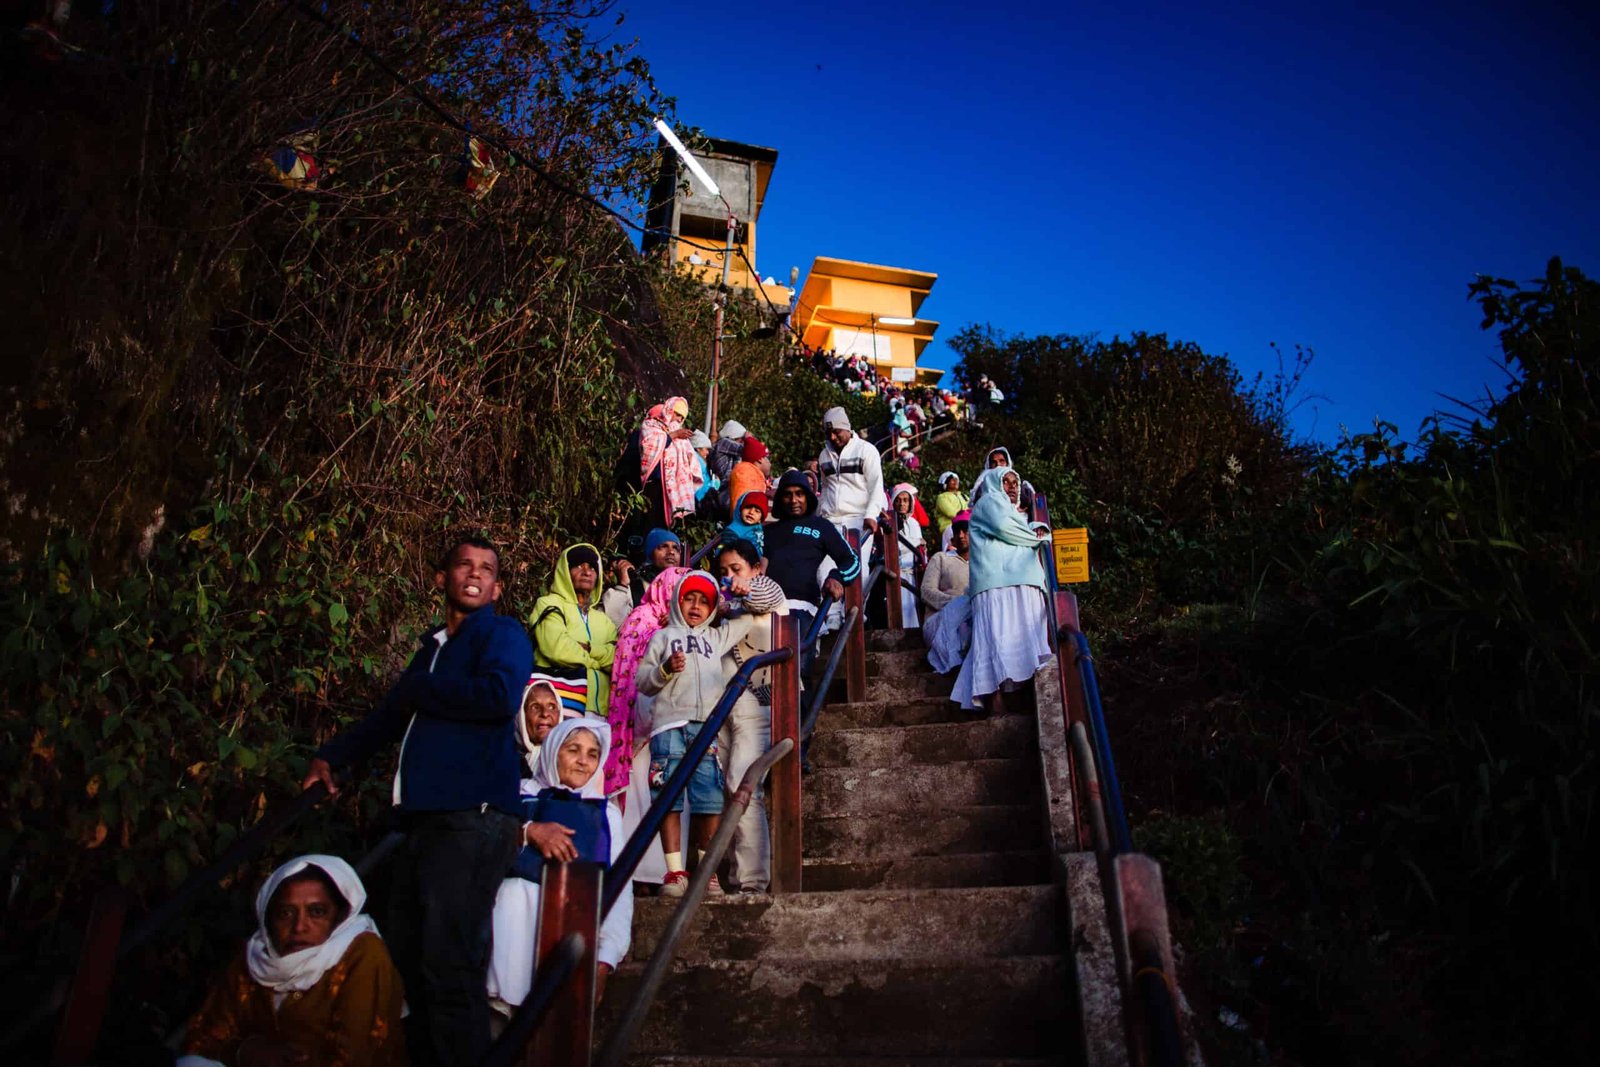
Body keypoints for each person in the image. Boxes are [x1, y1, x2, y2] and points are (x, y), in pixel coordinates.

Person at [302, 536, 529, 1067]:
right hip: (425, 820)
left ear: (496, 587)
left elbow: (498, 696)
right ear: (441, 578)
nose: (474, 574)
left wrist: (418, 691)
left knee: (449, 965)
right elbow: (389, 717)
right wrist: (331, 756)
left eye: (486, 569)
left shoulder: (502, 633)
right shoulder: (431, 649)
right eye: (463, 565)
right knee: (407, 958)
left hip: (473, 816)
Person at [179, 855, 406, 1067]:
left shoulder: (363, 953)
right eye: (285, 913)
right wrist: (244, 1050)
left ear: (339, 916)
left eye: (316, 912)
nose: (299, 927)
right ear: (268, 919)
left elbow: (356, 1056)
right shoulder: (254, 958)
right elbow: (201, 1038)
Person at [634, 570, 778, 896]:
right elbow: (643, 681)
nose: (696, 606)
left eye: (704, 601)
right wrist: (665, 670)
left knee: (708, 800)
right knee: (668, 798)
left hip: (707, 730)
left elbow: (752, 616)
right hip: (668, 728)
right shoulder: (661, 637)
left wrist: (735, 599)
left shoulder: (716, 637)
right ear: (677, 600)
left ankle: (706, 874)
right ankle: (674, 873)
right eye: (690, 598)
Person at [487, 719, 632, 1023]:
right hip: (502, 939)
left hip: (564, 932)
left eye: (593, 754)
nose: (583, 761)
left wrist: (605, 959)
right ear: (553, 752)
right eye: (573, 750)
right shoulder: (517, 794)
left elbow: (618, 889)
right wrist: (529, 831)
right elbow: (477, 841)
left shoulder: (606, 814)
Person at [713, 539, 788, 892]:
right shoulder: (723, 604)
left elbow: (761, 596)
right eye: (723, 571)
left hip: (760, 701)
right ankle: (733, 875)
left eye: (736, 569)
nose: (729, 577)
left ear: (756, 567)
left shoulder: (767, 590)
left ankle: (753, 881)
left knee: (742, 782)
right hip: (723, 705)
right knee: (722, 788)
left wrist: (742, 587)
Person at [951, 468, 1052, 715]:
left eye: (1015, 482)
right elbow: (1004, 528)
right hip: (994, 586)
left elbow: (1016, 528)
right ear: (994, 484)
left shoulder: (1011, 511)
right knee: (994, 641)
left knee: (1017, 641)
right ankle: (996, 707)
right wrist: (1037, 537)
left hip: (1014, 582)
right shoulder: (989, 502)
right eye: (1005, 481)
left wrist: (1034, 530)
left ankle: (1016, 704)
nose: (1011, 486)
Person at [763, 469, 859, 675]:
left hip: (802, 609)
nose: (794, 500)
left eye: (799, 493)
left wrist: (836, 577)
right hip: (765, 610)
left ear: (808, 496)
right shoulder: (768, 531)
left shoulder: (821, 526)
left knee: (798, 674)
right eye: (788, 494)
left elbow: (851, 560)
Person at [531, 543, 619, 718]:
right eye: (578, 566)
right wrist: (597, 664)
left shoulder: (604, 620)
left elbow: (618, 658)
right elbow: (558, 649)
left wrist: (590, 648)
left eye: (592, 568)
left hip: (601, 710)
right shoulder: (549, 604)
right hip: (559, 704)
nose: (586, 572)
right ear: (565, 572)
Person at [817, 406, 886, 618]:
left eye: (837, 431)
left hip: (858, 519)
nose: (832, 436)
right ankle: (833, 616)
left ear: (847, 428)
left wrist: (871, 515)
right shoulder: (824, 455)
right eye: (828, 432)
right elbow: (825, 488)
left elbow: (876, 486)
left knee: (859, 571)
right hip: (830, 520)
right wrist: (818, 518)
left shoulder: (866, 450)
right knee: (824, 570)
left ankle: (855, 616)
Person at [600, 528, 682, 631]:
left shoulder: (687, 587)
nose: (671, 552)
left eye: (676, 548)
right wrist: (623, 585)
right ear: (650, 554)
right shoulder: (636, 586)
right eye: (663, 546)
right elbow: (611, 623)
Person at [638, 396, 703, 527]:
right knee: (650, 522)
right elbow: (649, 446)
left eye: (682, 417)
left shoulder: (678, 432)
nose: (678, 419)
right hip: (654, 485)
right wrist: (674, 435)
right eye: (677, 414)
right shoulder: (651, 425)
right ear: (669, 410)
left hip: (671, 487)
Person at [887, 483, 924, 629]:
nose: (902, 504)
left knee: (913, 606)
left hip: (912, 572)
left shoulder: (914, 523)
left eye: (905, 500)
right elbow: (896, 548)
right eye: (898, 500)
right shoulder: (890, 522)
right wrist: (916, 542)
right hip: (898, 571)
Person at [727, 435, 771, 516]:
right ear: (760, 459)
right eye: (767, 458)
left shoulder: (751, 473)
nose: (769, 463)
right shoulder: (747, 475)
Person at [725, 489, 769, 555]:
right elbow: (726, 552)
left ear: (760, 519)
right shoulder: (733, 532)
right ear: (740, 510)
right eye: (748, 507)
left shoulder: (758, 528)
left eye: (757, 511)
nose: (751, 512)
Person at [932, 471, 969, 544]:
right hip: (950, 529)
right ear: (945, 483)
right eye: (952, 480)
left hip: (965, 528)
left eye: (956, 479)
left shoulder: (963, 495)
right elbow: (951, 513)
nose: (955, 481)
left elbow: (972, 508)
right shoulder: (942, 497)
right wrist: (967, 514)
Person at [709, 420, 747, 485]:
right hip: (726, 485)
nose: (743, 442)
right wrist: (750, 438)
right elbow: (745, 449)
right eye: (741, 439)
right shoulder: (723, 442)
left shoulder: (728, 449)